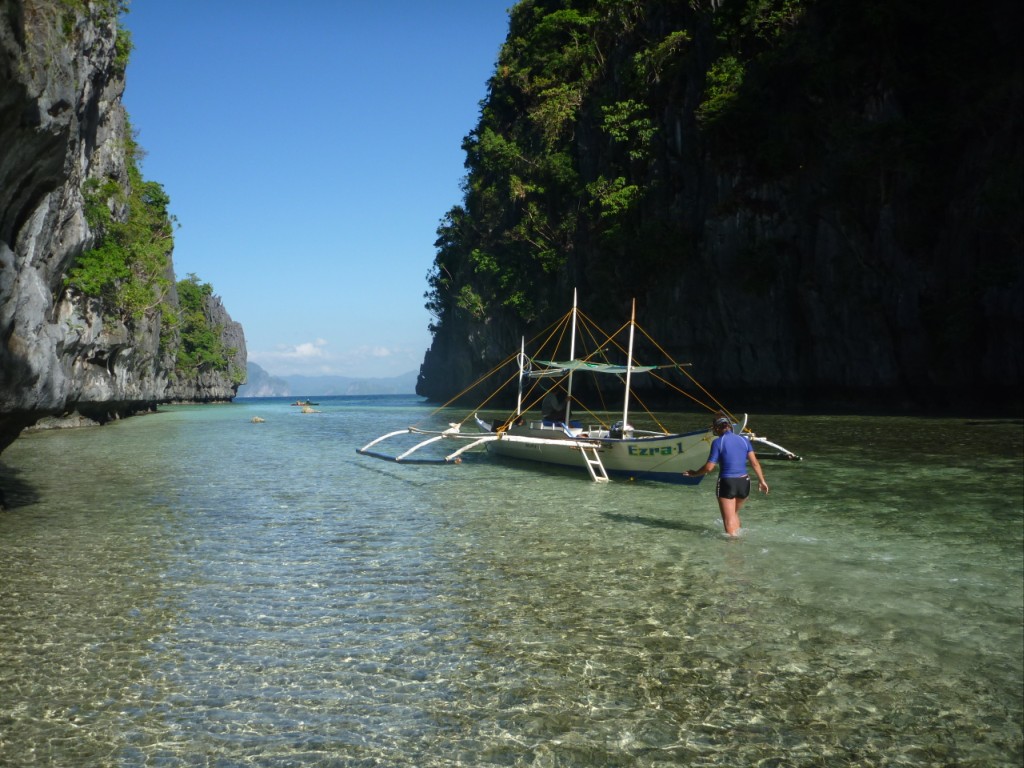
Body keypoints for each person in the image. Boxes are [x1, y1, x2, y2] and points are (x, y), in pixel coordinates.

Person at [684, 414, 769, 536]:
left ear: (717, 428)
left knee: (728, 521)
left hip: (727, 483)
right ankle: (740, 542)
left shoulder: (718, 442)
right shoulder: (744, 440)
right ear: (730, 426)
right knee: (734, 514)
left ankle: (732, 546)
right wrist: (762, 481)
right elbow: (754, 463)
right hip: (744, 482)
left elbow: (709, 467)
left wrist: (695, 474)